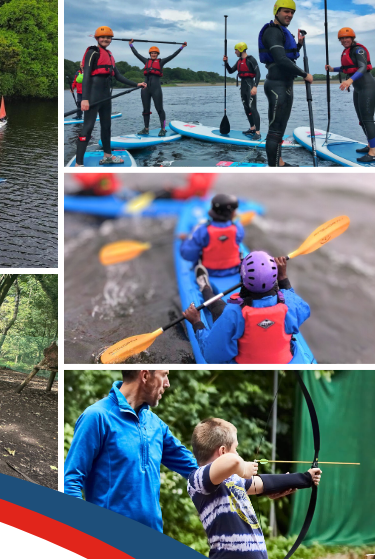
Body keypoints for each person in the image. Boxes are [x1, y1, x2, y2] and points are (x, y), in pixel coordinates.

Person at [64, 371, 198, 531]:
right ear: (145, 376)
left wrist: (231, 481)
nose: (167, 383)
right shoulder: (97, 417)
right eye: (164, 375)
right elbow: (70, 480)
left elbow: (194, 468)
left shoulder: (155, 424)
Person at [187, 418, 320, 559]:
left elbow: (264, 483)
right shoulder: (197, 480)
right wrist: (243, 468)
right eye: (235, 449)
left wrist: (305, 478)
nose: (238, 454)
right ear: (223, 451)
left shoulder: (232, 479)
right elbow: (234, 461)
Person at [182, 251, 312, 363]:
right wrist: (283, 277)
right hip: (287, 361)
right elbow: (304, 310)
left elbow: (211, 355)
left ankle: (205, 287)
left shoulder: (234, 313)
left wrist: (197, 323)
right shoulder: (289, 302)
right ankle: (205, 287)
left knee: (219, 308)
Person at [76, 26, 147, 166]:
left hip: (106, 97)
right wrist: (84, 98)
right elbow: (86, 77)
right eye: (103, 37)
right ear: (97, 38)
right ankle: (79, 163)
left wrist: (136, 84)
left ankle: (107, 156)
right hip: (92, 96)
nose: (106, 39)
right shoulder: (92, 52)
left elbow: (118, 76)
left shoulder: (109, 55)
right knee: (88, 127)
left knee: (107, 126)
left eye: (109, 37)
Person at [259, 0, 313, 167]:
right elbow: (281, 59)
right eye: (286, 11)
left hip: (285, 85)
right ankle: (274, 168)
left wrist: (299, 45)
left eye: (292, 12)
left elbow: (288, 54)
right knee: (275, 131)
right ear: (277, 11)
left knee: (280, 129)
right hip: (277, 86)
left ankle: (279, 162)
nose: (289, 15)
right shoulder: (272, 31)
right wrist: (304, 74)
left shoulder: (282, 31)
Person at [179, 194, 245, 321]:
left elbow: (187, 254)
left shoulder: (202, 230)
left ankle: (203, 284)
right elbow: (236, 240)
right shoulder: (238, 228)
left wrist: (186, 239)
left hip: (208, 272)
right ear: (231, 214)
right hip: (233, 270)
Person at [326, 27, 375, 162]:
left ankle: (374, 153)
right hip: (359, 89)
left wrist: (349, 81)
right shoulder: (348, 52)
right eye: (342, 38)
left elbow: (362, 67)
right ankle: (370, 145)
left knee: (368, 120)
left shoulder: (358, 50)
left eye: (347, 38)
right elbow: (347, 68)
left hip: (368, 87)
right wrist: (333, 69)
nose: (345, 40)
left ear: (352, 38)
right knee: (362, 121)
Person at [130, 41, 186, 136]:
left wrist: (182, 47)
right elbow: (136, 54)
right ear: (150, 54)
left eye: (155, 53)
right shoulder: (146, 61)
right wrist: (131, 45)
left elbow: (173, 55)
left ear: (157, 54)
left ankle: (163, 128)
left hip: (156, 89)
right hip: (145, 89)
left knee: (159, 109)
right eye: (152, 53)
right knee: (145, 110)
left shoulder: (161, 62)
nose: (153, 54)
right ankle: (146, 128)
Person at [224, 42, 262, 139]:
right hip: (243, 86)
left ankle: (257, 132)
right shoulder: (239, 61)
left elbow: (258, 73)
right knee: (246, 108)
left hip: (250, 85)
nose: (235, 52)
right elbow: (230, 71)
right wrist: (226, 62)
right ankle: (252, 128)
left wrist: (255, 86)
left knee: (253, 108)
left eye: (236, 50)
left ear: (241, 49)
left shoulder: (251, 60)